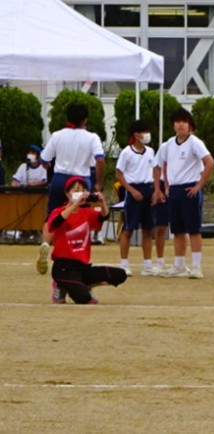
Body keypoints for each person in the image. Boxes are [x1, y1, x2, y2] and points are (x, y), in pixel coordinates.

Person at [38, 103, 105, 275]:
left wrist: (49, 166)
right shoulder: (92, 137)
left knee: (53, 215)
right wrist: (98, 182)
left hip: (60, 178)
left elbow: (44, 159)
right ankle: (77, 251)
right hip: (81, 180)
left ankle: (46, 243)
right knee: (81, 217)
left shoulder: (57, 135)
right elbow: (100, 160)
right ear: (85, 119)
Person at [153, 108, 214, 278]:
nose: (180, 125)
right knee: (177, 229)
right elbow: (157, 166)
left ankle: (196, 266)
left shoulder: (195, 142)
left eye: (184, 121)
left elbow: (209, 162)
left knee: (193, 229)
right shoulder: (167, 145)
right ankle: (178, 265)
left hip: (189, 188)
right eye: (177, 121)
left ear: (189, 124)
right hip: (173, 190)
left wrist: (198, 185)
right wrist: (159, 188)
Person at [47, 176, 126, 304]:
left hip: (82, 267)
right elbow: (56, 223)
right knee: (85, 299)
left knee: (119, 274)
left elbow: (103, 218)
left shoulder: (86, 213)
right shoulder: (58, 211)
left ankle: (83, 285)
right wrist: (75, 205)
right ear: (67, 194)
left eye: (81, 189)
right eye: (75, 189)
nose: (78, 192)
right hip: (63, 268)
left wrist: (102, 204)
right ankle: (61, 286)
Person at [114, 120, 157, 277]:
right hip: (133, 190)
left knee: (148, 229)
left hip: (148, 189)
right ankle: (124, 263)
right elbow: (118, 173)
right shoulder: (127, 152)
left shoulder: (151, 151)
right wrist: (131, 190)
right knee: (128, 228)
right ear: (136, 135)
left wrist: (154, 191)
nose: (147, 135)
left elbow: (154, 171)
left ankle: (147, 264)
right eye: (143, 132)